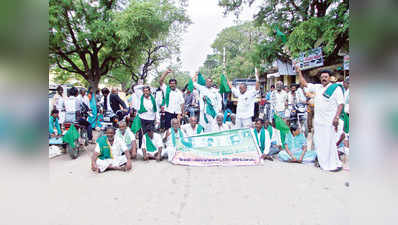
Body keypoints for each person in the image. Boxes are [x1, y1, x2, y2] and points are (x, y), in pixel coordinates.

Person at [297, 66, 344, 171]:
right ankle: (323, 163)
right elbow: (304, 84)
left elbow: (341, 104)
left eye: (326, 77)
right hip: (318, 122)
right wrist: (299, 72)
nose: (324, 78)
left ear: (330, 78)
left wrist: (336, 117)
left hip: (329, 121)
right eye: (322, 77)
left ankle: (332, 164)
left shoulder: (335, 88)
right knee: (319, 143)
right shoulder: (318, 88)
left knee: (329, 143)